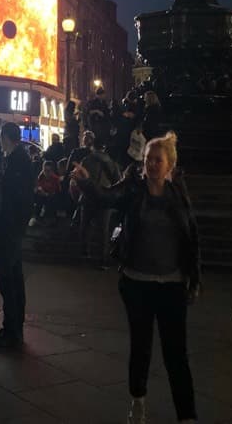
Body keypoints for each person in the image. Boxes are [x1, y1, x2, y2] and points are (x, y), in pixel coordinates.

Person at [72, 132, 200, 424]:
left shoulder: (178, 193)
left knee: (176, 353)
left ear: (170, 164)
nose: (152, 165)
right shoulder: (133, 189)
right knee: (141, 346)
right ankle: (138, 401)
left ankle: (187, 414)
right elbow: (107, 197)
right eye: (148, 160)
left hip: (172, 283)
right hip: (137, 281)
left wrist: (195, 277)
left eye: (158, 160)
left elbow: (192, 236)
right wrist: (85, 181)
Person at [0, 122, 35, 350]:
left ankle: (13, 331)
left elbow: (15, 197)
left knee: (8, 278)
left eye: (0, 136)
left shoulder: (17, 161)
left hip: (11, 228)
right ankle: (12, 327)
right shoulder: (18, 159)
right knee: (12, 278)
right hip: (13, 227)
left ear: (5, 137)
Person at [78, 135, 120, 268]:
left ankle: (84, 253)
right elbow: (118, 181)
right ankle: (103, 259)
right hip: (105, 198)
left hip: (89, 197)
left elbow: (80, 179)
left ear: (92, 146)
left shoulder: (86, 160)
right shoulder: (112, 162)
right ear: (104, 147)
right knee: (104, 230)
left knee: (85, 226)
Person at [31, 161, 61, 225]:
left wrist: (46, 194)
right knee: (37, 198)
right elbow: (38, 186)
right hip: (42, 195)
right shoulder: (41, 176)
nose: (46, 172)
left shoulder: (55, 179)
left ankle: (49, 218)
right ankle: (37, 217)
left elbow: (56, 192)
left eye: (48, 170)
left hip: (52, 197)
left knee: (50, 199)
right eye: (45, 170)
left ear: (52, 170)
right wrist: (36, 190)